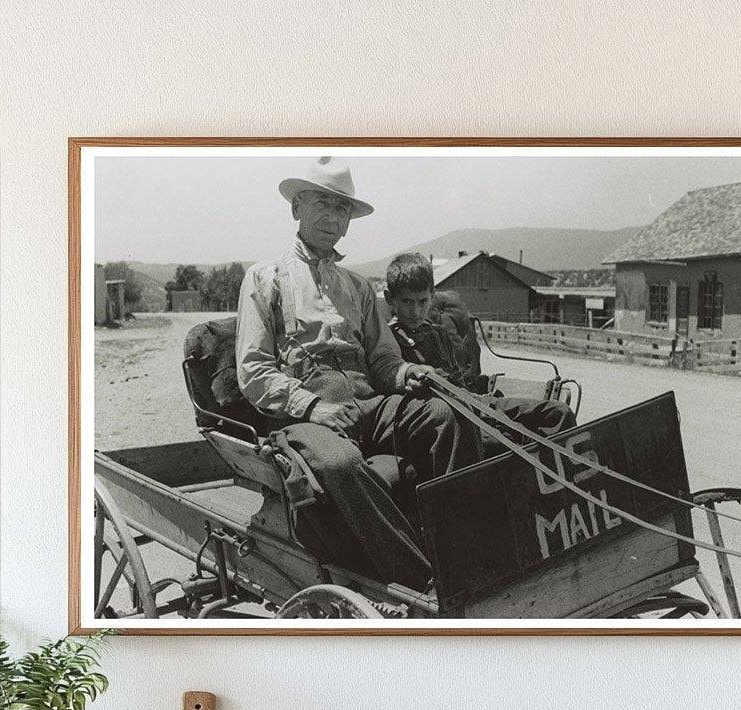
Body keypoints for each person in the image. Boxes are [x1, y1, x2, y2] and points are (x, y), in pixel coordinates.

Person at [235, 157, 481, 591]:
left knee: (445, 417)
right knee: (341, 461)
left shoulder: (358, 287)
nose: (332, 217)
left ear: (349, 222)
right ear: (297, 209)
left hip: (368, 403)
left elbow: (383, 362)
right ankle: (418, 577)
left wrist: (408, 372)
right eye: (322, 205)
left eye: (342, 209)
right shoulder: (265, 278)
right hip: (303, 416)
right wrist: (312, 406)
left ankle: (460, 551)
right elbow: (254, 371)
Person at [383, 253, 577, 441]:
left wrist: (465, 389)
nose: (416, 311)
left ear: (432, 297)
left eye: (423, 301)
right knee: (514, 438)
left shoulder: (438, 333)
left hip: (474, 402)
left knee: (557, 412)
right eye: (407, 301)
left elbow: (458, 382)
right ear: (391, 299)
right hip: (446, 414)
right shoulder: (386, 340)